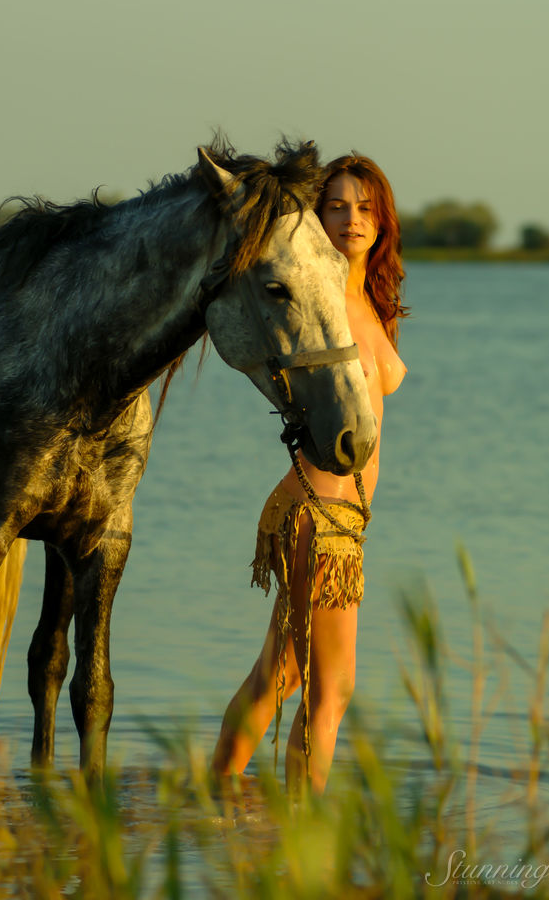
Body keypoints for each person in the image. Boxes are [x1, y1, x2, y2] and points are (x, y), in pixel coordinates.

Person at [211, 153, 408, 795]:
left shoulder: (368, 301)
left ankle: (218, 796)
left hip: (341, 513)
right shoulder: (319, 301)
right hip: (322, 511)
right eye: (337, 205)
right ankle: (304, 831)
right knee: (333, 686)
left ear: (383, 221)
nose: (353, 218)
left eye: (365, 206)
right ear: (315, 215)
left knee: (282, 671)